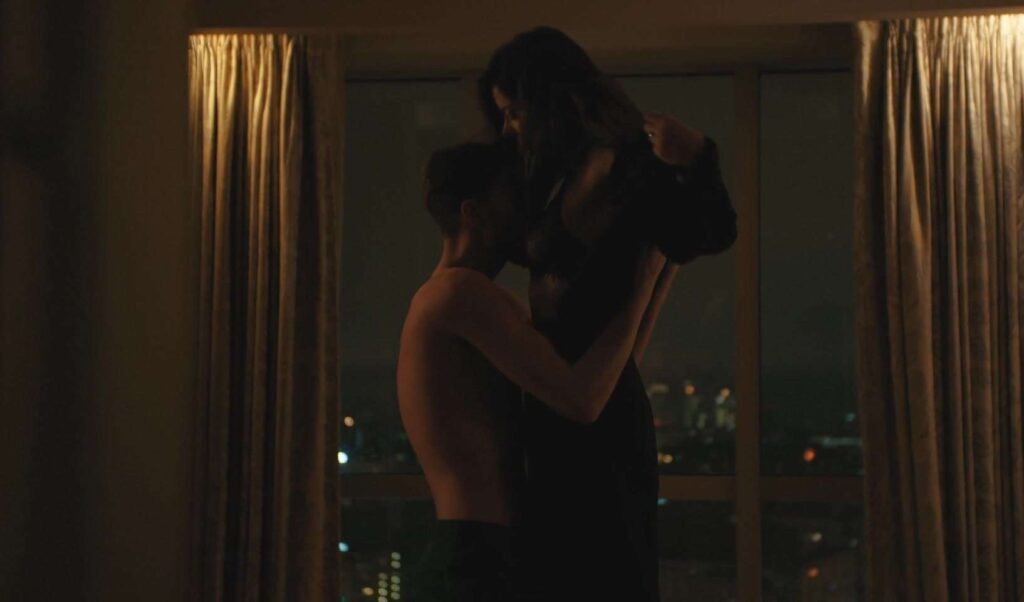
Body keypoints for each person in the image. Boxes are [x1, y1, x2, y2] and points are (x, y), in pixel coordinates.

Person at [477, 27, 738, 601]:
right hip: (556, 401)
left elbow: (710, 232)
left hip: (599, 413)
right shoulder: (554, 174)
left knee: (605, 568)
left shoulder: (627, 168)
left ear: (548, 100)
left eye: (516, 111)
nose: (510, 127)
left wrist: (699, 156)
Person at [397, 141, 670, 601]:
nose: (527, 213)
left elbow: (604, 382)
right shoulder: (461, 293)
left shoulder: (459, 298)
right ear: (473, 212)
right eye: (511, 197)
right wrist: (644, 280)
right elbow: (582, 399)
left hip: (481, 549)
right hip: (479, 558)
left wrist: (657, 279)